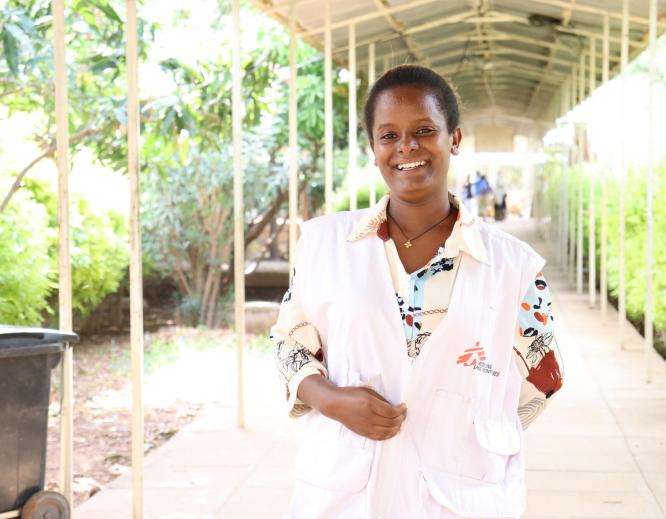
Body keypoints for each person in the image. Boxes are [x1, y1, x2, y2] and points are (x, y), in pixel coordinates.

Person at [269, 65, 563, 518]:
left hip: (461, 496)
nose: (406, 147)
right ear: (374, 149)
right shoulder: (323, 245)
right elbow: (290, 342)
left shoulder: (513, 265)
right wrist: (330, 399)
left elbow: (541, 378)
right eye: (389, 135)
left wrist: (469, 422)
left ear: (455, 139)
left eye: (424, 130)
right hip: (345, 489)